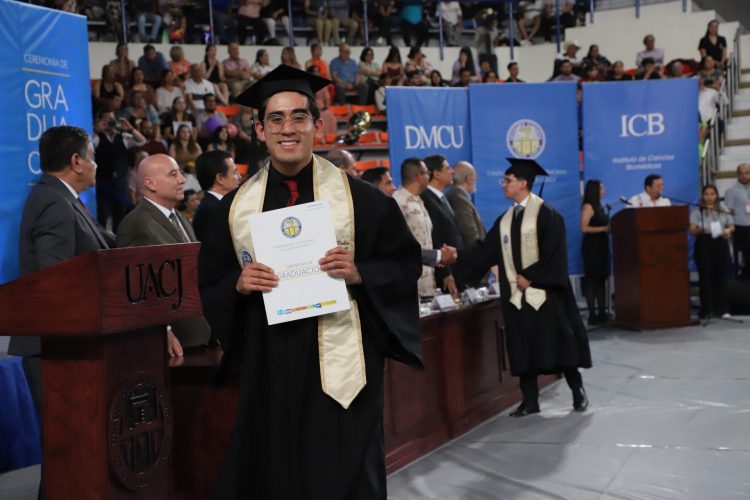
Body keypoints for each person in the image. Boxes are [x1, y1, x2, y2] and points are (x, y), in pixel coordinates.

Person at [198, 64, 422, 499]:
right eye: (276, 119)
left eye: (299, 117)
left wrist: (361, 272)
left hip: (341, 370)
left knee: (343, 474)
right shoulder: (234, 209)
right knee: (272, 473)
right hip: (269, 365)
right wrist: (238, 284)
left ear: (317, 126)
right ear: (260, 130)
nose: (288, 128)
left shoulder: (364, 201)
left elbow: (404, 263)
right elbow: (211, 278)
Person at [9, 127, 112, 500]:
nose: (96, 165)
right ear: (76, 161)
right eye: (93, 157)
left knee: (69, 453)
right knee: (66, 450)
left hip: (65, 347)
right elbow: (56, 283)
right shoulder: (53, 202)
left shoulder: (61, 198)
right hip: (57, 348)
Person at [456, 158, 591, 416]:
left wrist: (532, 277)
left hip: (546, 295)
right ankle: (530, 401)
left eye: (507, 180)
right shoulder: (505, 220)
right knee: (523, 347)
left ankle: (578, 392)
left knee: (561, 344)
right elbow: (485, 251)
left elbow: (555, 254)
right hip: (517, 298)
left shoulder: (547, 215)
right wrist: (457, 257)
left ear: (523, 183)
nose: (503, 185)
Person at [116, 154, 211, 357]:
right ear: (149, 183)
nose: (182, 179)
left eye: (180, 173)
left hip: (200, 333)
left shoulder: (181, 218)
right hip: (173, 345)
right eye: (173, 174)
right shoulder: (135, 223)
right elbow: (136, 288)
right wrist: (163, 330)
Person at [421, 154, 464, 297]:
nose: (452, 171)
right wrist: (445, 273)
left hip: (456, 268)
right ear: (437, 174)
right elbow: (434, 238)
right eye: (448, 168)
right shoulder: (427, 199)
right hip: (444, 273)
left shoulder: (441, 198)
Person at [689, 185, 734, 319]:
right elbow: (692, 229)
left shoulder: (723, 209)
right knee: (705, 277)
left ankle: (723, 309)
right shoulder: (697, 211)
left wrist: (728, 230)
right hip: (704, 243)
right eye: (706, 194)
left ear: (716, 195)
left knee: (721, 276)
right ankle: (706, 309)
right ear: (702, 196)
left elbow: (732, 225)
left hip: (720, 242)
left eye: (712, 194)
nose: (709, 197)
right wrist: (700, 229)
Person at [192, 149, 241, 242]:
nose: (239, 176)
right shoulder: (209, 211)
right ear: (220, 178)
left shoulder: (219, 205)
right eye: (235, 172)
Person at [580, 179, 610, 326]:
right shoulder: (588, 206)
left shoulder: (600, 206)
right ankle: (592, 314)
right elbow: (584, 228)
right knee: (592, 280)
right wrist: (603, 229)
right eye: (601, 188)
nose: (603, 191)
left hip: (602, 245)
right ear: (594, 191)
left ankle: (602, 312)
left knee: (601, 279)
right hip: (592, 247)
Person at [446, 161, 486, 246]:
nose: (476, 179)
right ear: (469, 178)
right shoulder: (459, 198)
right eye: (475, 176)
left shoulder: (458, 195)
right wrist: (480, 251)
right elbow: (469, 234)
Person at [723, 163, 750, 279]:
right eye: (741, 173)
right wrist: (730, 227)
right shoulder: (731, 191)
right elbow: (728, 212)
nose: (744, 176)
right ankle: (743, 280)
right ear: (737, 175)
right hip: (741, 227)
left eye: (747, 173)